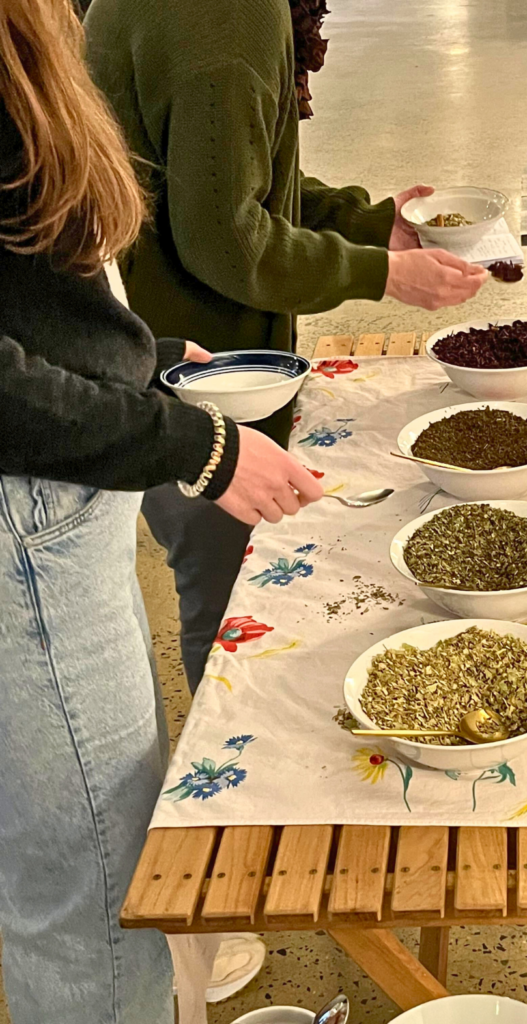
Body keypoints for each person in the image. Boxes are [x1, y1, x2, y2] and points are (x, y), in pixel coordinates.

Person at [0, 1, 324, 1021]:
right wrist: (199, 445)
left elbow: (34, 287)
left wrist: (127, 357)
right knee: (91, 901)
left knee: (102, 839)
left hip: (61, 496)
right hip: (27, 519)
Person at [85, 0, 488, 693]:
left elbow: (224, 176)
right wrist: (381, 273)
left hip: (155, 360)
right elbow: (227, 239)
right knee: (227, 614)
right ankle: (236, 784)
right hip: (197, 380)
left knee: (222, 591)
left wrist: (364, 223)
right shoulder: (226, 16)